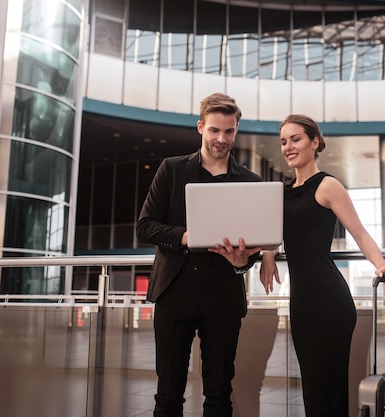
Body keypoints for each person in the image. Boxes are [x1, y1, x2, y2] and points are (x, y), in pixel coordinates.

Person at [259, 114, 385, 417]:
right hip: (301, 304)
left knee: (330, 390)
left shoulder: (327, 186)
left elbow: (359, 232)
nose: (288, 147)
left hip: (329, 302)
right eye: (283, 141)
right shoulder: (280, 192)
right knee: (313, 388)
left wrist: (383, 265)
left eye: (295, 139)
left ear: (314, 142)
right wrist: (268, 255)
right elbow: (271, 235)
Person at [136, 92, 262, 417]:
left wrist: (242, 262)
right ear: (200, 127)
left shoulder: (249, 182)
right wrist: (186, 236)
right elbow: (146, 226)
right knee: (168, 396)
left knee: (219, 395)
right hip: (174, 291)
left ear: (236, 131)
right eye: (215, 130)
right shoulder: (172, 169)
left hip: (223, 294)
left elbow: (255, 246)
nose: (222, 139)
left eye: (229, 132)